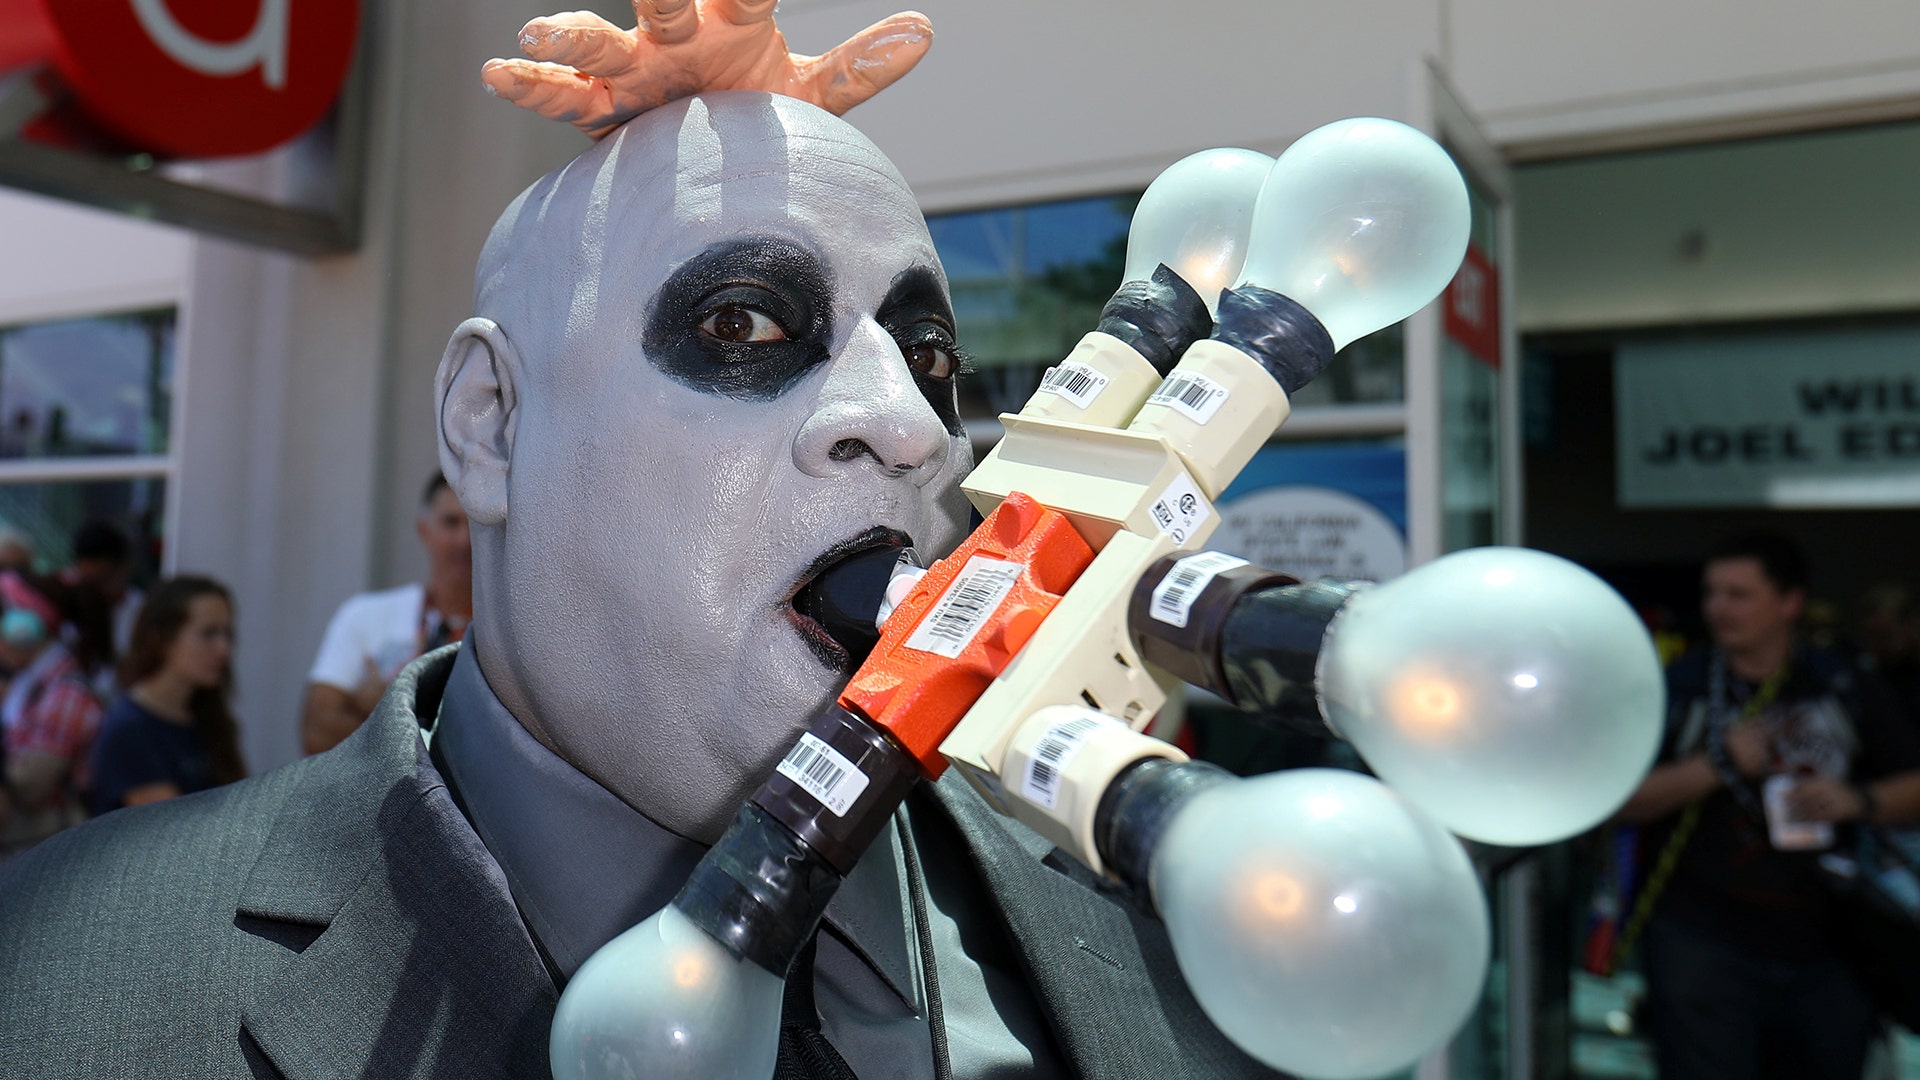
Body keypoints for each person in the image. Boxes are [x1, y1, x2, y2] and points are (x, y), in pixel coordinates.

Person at [0, 8, 1278, 1078]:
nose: (909, 428)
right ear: (492, 426)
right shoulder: (58, 989)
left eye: (931, 358)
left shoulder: (1189, 957)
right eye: (747, 325)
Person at [1616, 532, 1920, 1080]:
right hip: (1700, 939)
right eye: (1712, 593)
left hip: (1828, 943)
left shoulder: (1842, 684)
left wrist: (1857, 800)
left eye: (1739, 594)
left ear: (1789, 603)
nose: (1719, 609)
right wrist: (1718, 763)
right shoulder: (1678, 687)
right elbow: (1622, 799)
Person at [300, 472, 472, 755]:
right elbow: (316, 733)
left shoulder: (510, 631)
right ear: (423, 531)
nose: (464, 541)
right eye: (450, 522)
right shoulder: (364, 615)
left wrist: (382, 710)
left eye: (474, 525)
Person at [87, 576, 246, 815]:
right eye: (208, 633)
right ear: (159, 638)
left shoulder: (210, 718)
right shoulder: (130, 731)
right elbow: (175, 833)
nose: (224, 648)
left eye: (227, 634)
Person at [0, 571, 104, 856]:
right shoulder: (32, 683)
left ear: (26, 628)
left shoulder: (66, 696)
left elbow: (31, 786)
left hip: (43, 852)